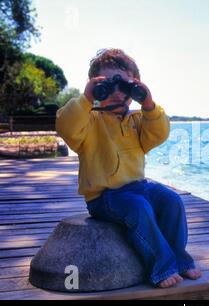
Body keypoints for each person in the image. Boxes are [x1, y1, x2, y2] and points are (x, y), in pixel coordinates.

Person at [55, 48, 201, 288]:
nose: (116, 92)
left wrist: (150, 104)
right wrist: (86, 99)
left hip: (138, 187)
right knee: (139, 207)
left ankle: (180, 259)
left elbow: (160, 133)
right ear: (94, 86)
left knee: (172, 200)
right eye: (107, 85)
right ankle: (162, 266)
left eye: (123, 85)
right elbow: (66, 126)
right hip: (104, 197)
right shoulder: (89, 120)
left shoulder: (136, 121)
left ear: (134, 90)